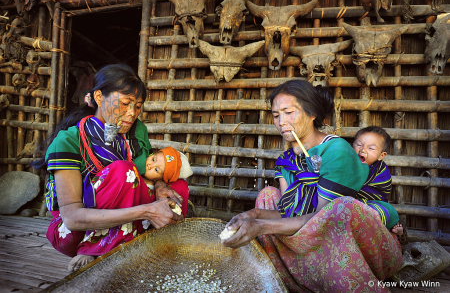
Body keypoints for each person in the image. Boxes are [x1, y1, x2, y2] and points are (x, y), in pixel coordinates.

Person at [221, 80, 402, 293]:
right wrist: (251, 215)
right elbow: (287, 213)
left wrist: (260, 226)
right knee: (267, 195)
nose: (281, 122)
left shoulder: (337, 151)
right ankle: (294, 277)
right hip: (312, 247)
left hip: (366, 250)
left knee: (341, 208)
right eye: (276, 115)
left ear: (311, 113)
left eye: (289, 112)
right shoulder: (287, 160)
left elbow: (320, 218)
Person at [33, 64, 189, 272]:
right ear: (98, 97)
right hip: (76, 231)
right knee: (124, 171)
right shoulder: (69, 140)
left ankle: (153, 245)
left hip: (126, 215)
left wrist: (160, 186)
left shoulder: (134, 132)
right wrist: (147, 211)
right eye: (125, 104)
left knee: (177, 186)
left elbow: (149, 169)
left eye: (138, 106)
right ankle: (94, 250)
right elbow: (71, 218)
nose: (132, 113)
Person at [353, 126, 403, 236]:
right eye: (359, 144)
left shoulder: (380, 170)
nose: (363, 150)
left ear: (381, 155)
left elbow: (380, 192)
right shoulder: (346, 162)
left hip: (372, 202)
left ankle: (395, 228)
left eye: (370, 148)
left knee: (388, 211)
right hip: (348, 200)